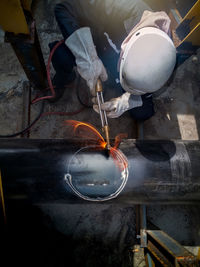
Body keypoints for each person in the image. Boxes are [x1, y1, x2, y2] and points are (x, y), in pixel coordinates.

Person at [50, 0, 176, 121]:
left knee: (142, 112)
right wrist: (87, 57)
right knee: (61, 55)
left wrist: (128, 100)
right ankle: (64, 78)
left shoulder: (166, 55)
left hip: (117, 60)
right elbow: (63, 9)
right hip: (95, 45)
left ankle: (124, 84)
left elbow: (153, 85)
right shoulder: (113, 5)